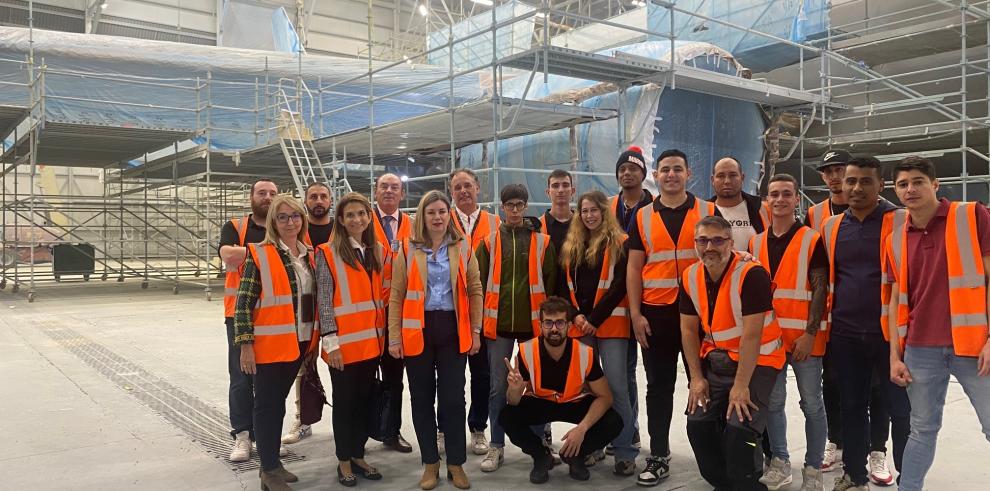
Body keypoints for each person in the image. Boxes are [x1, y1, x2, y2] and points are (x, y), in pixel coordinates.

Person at [883, 157, 990, 491]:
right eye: (902, 184)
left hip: (973, 346)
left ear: (935, 184)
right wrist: (895, 355)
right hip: (919, 348)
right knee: (922, 429)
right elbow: (896, 297)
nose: (910, 189)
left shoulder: (970, 216)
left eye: (917, 181)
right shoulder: (895, 239)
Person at [819, 156, 911, 491]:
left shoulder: (901, 220)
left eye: (865, 181)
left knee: (900, 410)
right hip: (845, 333)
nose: (856, 188)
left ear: (881, 185)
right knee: (852, 405)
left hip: (891, 335)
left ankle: (909, 479)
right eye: (851, 181)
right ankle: (854, 474)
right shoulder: (830, 227)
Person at [626, 148, 715, 486]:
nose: (671, 175)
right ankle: (659, 455)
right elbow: (634, 268)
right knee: (659, 388)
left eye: (678, 169)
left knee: (707, 384)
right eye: (665, 170)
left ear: (688, 173)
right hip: (657, 315)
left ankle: (714, 452)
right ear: (657, 176)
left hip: (702, 316)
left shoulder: (707, 210)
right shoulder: (643, 216)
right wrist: (636, 314)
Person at [679, 215, 785, 490]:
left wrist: (740, 386)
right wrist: (696, 379)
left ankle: (748, 483)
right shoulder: (690, 276)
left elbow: (752, 335)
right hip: (716, 363)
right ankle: (725, 484)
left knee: (741, 433)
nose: (709, 247)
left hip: (758, 362)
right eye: (703, 240)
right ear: (695, 244)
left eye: (717, 240)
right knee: (698, 426)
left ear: (731, 242)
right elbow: (689, 331)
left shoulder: (751, 274)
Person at [387, 190, 484, 490]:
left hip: (454, 329)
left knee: (454, 399)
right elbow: (397, 294)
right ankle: (430, 462)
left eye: (442, 211)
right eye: (431, 212)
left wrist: (477, 331)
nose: (438, 217)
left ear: (449, 214)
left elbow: (475, 289)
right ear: (422, 216)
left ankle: (455, 463)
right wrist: (394, 337)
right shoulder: (406, 248)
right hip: (418, 329)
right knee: (421, 399)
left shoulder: (463, 247)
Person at [805, 150, 889, 476]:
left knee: (879, 389)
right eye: (831, 171)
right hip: (837, 321)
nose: (837, 177)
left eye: (843, 170)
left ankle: (878, 450)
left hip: (879, 321)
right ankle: (836, 441)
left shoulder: (890, 217)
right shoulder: (817, 217)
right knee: (835, 384)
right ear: (824, 177)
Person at [234, 194, 320, 491]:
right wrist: (245, 345)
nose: (289, 222)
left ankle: (273, 463)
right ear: (273, 222)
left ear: (302, 220)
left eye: (295, 216)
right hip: (269, 345)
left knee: (277, 406)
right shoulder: (259, 254)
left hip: (299, 342)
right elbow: (243, 302)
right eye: (282, 217)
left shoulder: (309, 254)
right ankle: (268, 470)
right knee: (268, 406)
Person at [750, 174, 829, 491]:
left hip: (804, 341)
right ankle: (780, 461)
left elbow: (821, 289)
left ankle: (813, 468)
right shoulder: (756, 241)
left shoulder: (811, 238)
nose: (780, 199)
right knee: (773, 403)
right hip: (770, 340)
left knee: (812, 404)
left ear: (797, 199)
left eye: (787, 194)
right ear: (766, 200)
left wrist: (810, 334)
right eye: (774, 194)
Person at [476, 183, 558, 472]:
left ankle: (538, 447)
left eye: (518, 205)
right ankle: (497, 447)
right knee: (498, 389)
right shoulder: (488, 242)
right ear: (501, 207)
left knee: (536, 389)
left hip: (534, 328)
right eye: (509, 205)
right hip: (498, 328)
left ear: (526, 207)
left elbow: (550, 286)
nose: (513, 210)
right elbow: (478, 286)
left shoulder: (542, 242)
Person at [501, 296, 623, 484]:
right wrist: (515, 389)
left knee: (614, 421)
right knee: (507, 415)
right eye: (548, 323)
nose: (554, 329)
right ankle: (541, 456)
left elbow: (606, 397)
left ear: (568, 325)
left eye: (559, 322)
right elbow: (513, 402)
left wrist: (582, 429)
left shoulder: (584, 352)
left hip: (574, 402)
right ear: (540, 325)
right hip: (541, 403)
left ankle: (575, 455)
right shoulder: (526, 351)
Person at [559, 190, 637, 476]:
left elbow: (618, 286)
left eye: (595, 210)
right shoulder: (572, 245)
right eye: (585, 211)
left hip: (611, 326)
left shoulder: (620, 243)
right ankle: (594, 446)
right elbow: (564, 286)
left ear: (605, 212)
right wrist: (577, 316)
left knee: (617, 389)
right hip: (581, 326)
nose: (590, 215)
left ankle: (625, 451)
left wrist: (594, 318)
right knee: (591, 390)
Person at [316, 192, 388, 487]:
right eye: (350, 215)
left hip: (371, 346)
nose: (356, 219)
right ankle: (343, 460)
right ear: (341, 222)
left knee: (362, 403)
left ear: (369, 217)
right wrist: (331, 343)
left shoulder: (376, 250)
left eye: (361, 213)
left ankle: (358, 455)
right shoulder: (327, 252)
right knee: (345, 405)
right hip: (343, 348)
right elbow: (324, 300)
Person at [219, 178, 277, 462]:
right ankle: (242, 435)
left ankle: (264, 436)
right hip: (239, 314)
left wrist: (247, 254)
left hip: (275, 315)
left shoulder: (283, 225)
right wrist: (266, 253)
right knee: (242, 377)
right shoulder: (235, 226)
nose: (267, 197)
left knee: (269, 379)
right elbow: (227, 256)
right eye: (262, 192)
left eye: (272, 193)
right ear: (251, 196)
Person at [448, 168, 498, 456]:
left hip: (483, 312)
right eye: (458, 187)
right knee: (450, 378)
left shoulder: (494, 222)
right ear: (451, 192)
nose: (463, 191)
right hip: (449, 313)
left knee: (482, 375)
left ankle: (478, 428)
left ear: (478, 188)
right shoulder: (441, 219)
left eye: (468, 185)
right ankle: (446, 429)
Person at [608, 145, 652, 456]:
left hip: (644, 299)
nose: (627, 173)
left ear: (642, 174)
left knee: (636, 371)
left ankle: (631, 427)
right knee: (619, 371)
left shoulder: (654, 206)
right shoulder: (610, 206)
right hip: (611, 300)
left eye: (633, 168)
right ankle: (624, 428)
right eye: (623, 169)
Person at [283, 182, 334, 446]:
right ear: (306, 201)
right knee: (304, 365)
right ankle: (303, 419)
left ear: (330, 200)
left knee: (343, 364)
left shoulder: (339, 228)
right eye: (313, 196)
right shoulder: (297, 229)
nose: (318, 201)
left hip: (338, 305)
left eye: (323, 196)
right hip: (305, 306)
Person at [372, 172, 413, 453]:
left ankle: (391, 431)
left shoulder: (413, 223)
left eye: (394, 187)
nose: (389, 191)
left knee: (394, 378)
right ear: (375, 192)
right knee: (362, 379)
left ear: (402, 194)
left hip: (400, 314)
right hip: (367, 314)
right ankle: (361, 431)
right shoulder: (362, 221)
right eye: (383, 187)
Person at [710, 156, 769, 250]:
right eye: (721, 176)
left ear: (742, 177)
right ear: (712, 180)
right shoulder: (702, 212)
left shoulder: (762, 209)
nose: (727, 181)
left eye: (733, 175)